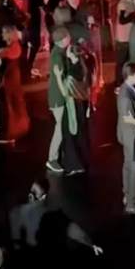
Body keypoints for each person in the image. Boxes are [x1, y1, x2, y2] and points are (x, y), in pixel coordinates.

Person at [58, 42, 91, 175]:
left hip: (73, 106)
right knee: (81, 134)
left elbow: (66, 92)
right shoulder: (83, 67)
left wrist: (58, 77)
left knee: (71, 135)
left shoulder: (72, 72)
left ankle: (74, 164)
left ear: (71, 53)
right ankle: (83, 161)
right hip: (82, 105)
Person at [116, 62, 135, 213]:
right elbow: (129, 119)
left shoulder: (129, 89)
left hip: (128, 135)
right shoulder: (125, 97)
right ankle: (132, 203)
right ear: (131, 75)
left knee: (128, 165)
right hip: (131, 136)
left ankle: (127, 195)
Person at [45, 25, 71, 174]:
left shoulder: (59, 52)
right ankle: (52, 158)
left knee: (62, 126)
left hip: (57, 97)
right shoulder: (57, 57)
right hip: (58, 98)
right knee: (60, 128)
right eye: (67, 36)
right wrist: (66, 96)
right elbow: (60, 79)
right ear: (63, 40)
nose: (70, 38)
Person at [114, 0, 135, 83]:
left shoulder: (133, 2)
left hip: (131, 36)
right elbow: (121, 20)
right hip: (124, 37)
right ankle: (118, 80)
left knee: (128, 59)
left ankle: (126, 79)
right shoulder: (123, 3)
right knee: (122, 59)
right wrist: (132, 16)